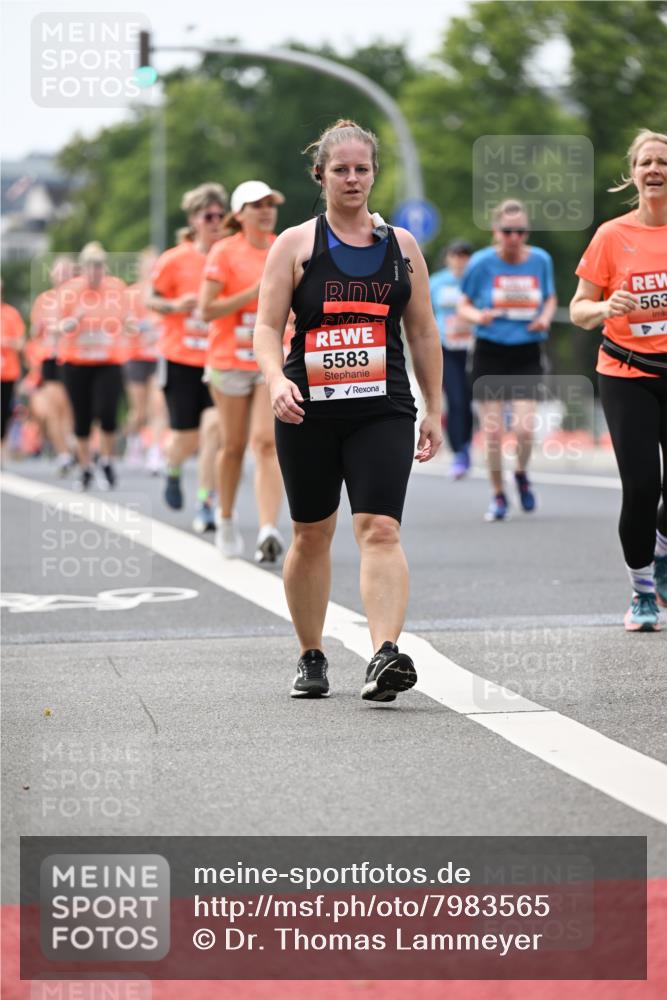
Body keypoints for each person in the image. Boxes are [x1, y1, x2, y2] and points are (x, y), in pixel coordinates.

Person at [254, 119, 443, 701]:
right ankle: (311, 655)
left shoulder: (401, 248)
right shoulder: (295, 244)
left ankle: (384, 654)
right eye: (341, 170)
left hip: (382, 405)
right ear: (322, 176)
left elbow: (425, 333)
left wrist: (435, 406)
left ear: (374, 174)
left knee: (380, 528)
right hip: (306, 409)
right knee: (311, 533)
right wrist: (273, 382)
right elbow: (264, 328)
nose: (353, 178)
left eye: (362, 169)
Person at [570, 128, 667, 632]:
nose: (655, 170)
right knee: (642, 483)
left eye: (663, 162)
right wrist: (608, 305)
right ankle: (643, 591)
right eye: (646, 162)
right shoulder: (613, 235)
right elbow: (578, 310)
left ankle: (664, 550)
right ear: (632, 173)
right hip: (626, 372)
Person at [200, 180, 286, 562]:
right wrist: (253, 294)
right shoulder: (224, 251)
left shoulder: (283, 246)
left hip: (269, 359)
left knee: (266, 443)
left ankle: (268, 528)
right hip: (228, 359)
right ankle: (227, 517)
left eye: (270, 204)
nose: (266, 210)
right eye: (257, 205)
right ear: (240, 215)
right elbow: (206, 309)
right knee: (232, 446)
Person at [458, 199, 557, 521]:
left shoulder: (540, 260)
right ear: (495, 231)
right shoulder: (481, 263)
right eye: (507, 231)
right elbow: (464, 303)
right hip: (490, 351)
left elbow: (551, 296)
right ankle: (498, 494)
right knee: (493, 432)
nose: (514, 237)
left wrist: (545, 316)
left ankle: (521, 474)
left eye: (520, 231)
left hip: (526, 351)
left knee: (526, 428)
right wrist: (478, 316)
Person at [147, 183, 228, 519]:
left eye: (221, 216)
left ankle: (207, 501)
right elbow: (149, 299)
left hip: (219, 357)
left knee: (214, 428)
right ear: (194, 220)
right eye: (208, 216)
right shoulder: (175, 260)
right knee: (186, 437)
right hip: (180, 357)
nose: (215, 221)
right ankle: (173, 466)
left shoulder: (229, 255)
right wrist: (176, 304)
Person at [56, 243, 128, 490]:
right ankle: (85, 467)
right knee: (82, 417)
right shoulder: (70, 291)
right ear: (82, 268)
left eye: (99, 266)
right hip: (77, 362)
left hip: (108, 361)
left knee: (107, 413)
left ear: (104, 268)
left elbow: (128, 319)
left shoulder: (116, 288)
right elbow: (55, 325)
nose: (95, 272)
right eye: (90, 266)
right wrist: (70, 322)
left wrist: (128, 325)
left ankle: (107, 460)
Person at [429, 239, 474, 478]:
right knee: (455, 400)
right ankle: (459, 452)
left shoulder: (477, 280)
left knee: (469, 401)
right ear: (448, 259)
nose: (460, 261)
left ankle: (467, 445)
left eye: (464, 256)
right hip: (446, 349)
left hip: (474, 349)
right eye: (455, 256)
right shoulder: (436, 282)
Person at [29, 256, 76, 475]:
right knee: (53, 407)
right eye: (59, 272)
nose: (63, 277)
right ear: (52, 276)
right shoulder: (44, 300)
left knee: (69, 406)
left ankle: (72, 444)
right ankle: (63, 453)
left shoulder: (79, 298)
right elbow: (35, 332)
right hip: (50, 357)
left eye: (67, 272)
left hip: (73, 357)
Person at [124, 248, 167, 474]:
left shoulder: (164, 293)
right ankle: (133, 442)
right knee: (139, 411)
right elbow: (125, 323)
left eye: (155, 265)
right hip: (136, 356)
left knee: (158, 406)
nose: (151, 270)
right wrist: (143, 327)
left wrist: (158, 328)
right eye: (147, 266)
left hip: (158, 355)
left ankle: (155, 452)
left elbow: (170, 320)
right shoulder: (131, 293)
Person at [1, 283, 26, 460]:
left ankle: (2, 451)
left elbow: (20, 343)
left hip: (7, 372)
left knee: (4, 413)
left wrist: (4, 342)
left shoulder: (11, 314)